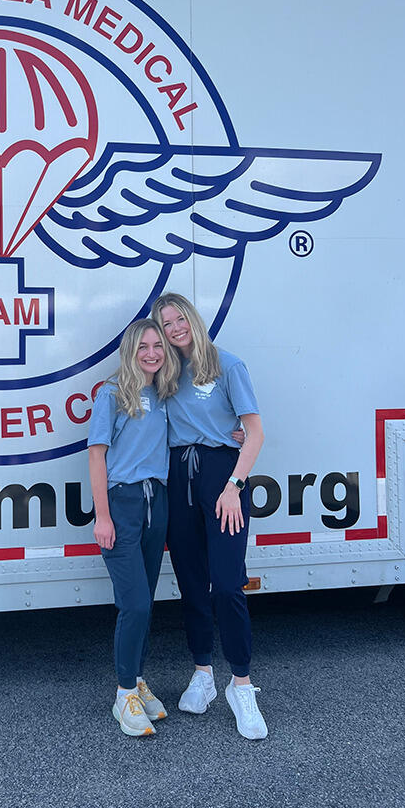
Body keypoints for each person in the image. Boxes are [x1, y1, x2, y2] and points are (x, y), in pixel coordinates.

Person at [151, 292, 268, 740]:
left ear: (193, 319)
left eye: (180, 318)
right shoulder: (164, 369)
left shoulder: (227, 364)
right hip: (178, 477)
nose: (175, 327)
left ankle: (242, 685)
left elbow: (254, 433)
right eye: (166, 323)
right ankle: (203, 673)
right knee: (192, 584)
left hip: (222, 477)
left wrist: (234, 487)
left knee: (227, 584)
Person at [87, 318, 173, 737]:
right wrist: (102, 516)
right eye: (143, 346)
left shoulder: (165, 393)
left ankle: (137, 680)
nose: (152, 353)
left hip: (159, 501)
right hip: (123, 504)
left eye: (158, 345)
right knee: (134, 603)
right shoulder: (111, 394)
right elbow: (96, 457)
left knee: (147, 602)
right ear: (130, 350)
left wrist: (231, 432)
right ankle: (123, 695)